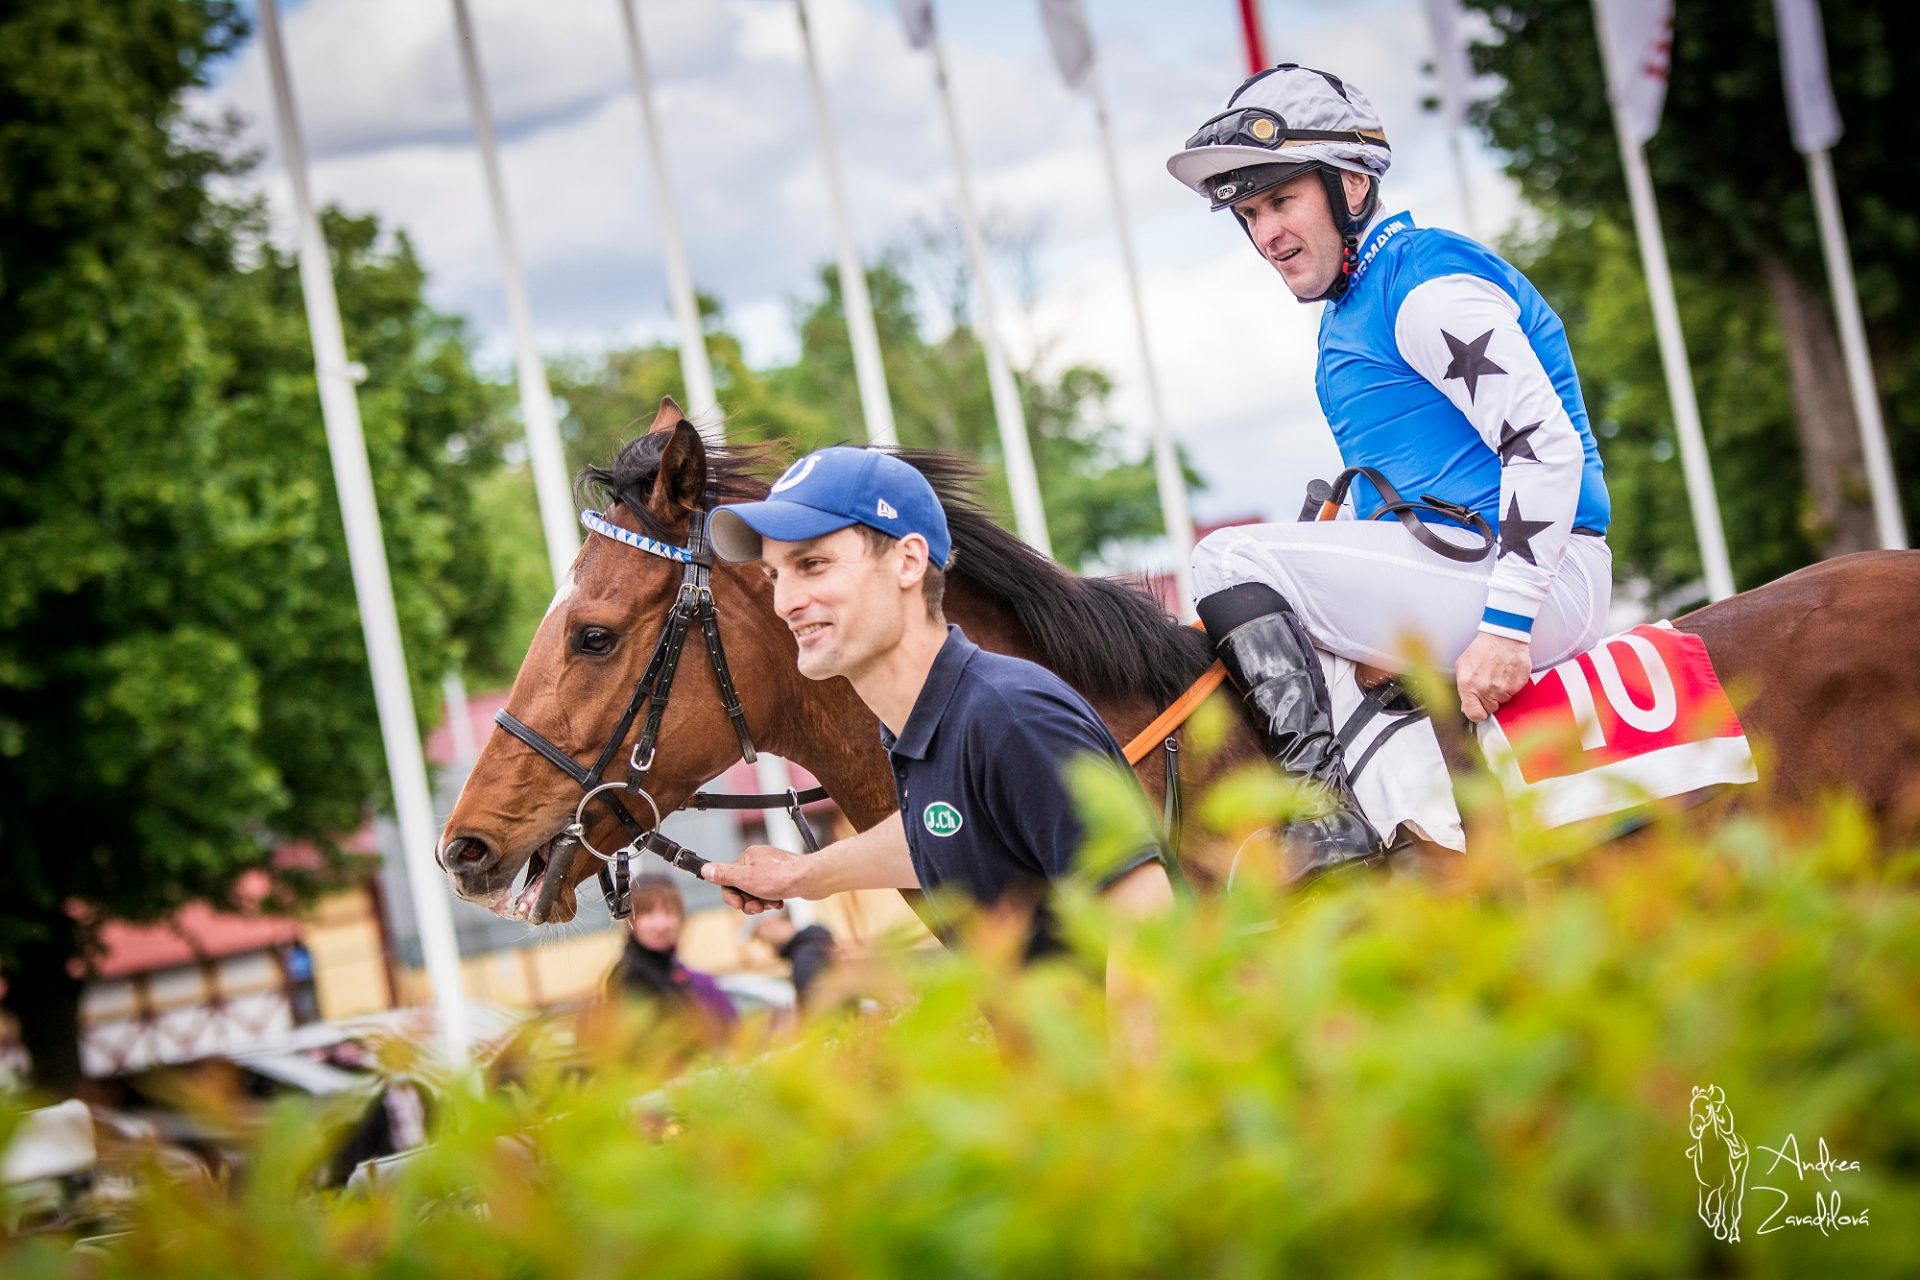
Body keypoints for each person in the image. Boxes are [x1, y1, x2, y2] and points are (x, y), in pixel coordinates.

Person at [1164, 63, 1614, 876]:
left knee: (1226, 559)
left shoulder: (1422, 284)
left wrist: (1508, 628)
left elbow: (1544, 444)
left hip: (1540, 575)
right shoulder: (1358, 301)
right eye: (1250, 213)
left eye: (1281, 200)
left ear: (1348, 184)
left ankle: (1324, 821)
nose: (1266, 234)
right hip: (1474, 564)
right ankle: (1404, 846)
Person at [698, 446, 1173, 972]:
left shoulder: (1012, 718)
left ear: (907, 560)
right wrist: (801, 876)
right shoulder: (926, 729)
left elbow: (1147, 927)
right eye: (774, 576)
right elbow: (945, 832)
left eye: (812, 564)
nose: (784, 602)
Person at [606, 874, 737, 1033]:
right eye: (648, 913)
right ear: (630, 920)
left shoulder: (679, 973)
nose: (661, 924)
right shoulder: (629, 976)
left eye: (669, 912)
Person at [744, 907, 836, 1009]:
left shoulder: (805, 958)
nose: (762, 941)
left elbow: (819, 1007)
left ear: (771, 923)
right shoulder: (814, 945)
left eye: (758, 934)